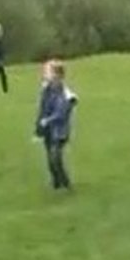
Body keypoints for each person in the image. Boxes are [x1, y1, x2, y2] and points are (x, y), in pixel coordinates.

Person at [35, 61, 78, 191]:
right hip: (48, 130)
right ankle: (56, 182)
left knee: (55, 157)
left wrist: (48, 120)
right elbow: (42, 109)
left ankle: (66, 183)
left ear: (57, 75)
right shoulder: (46, 90)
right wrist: (39, 128)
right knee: (50, 159)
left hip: (59, 131)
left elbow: (61, 113)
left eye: (47, 71)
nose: (44, 74)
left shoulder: (65, 93)